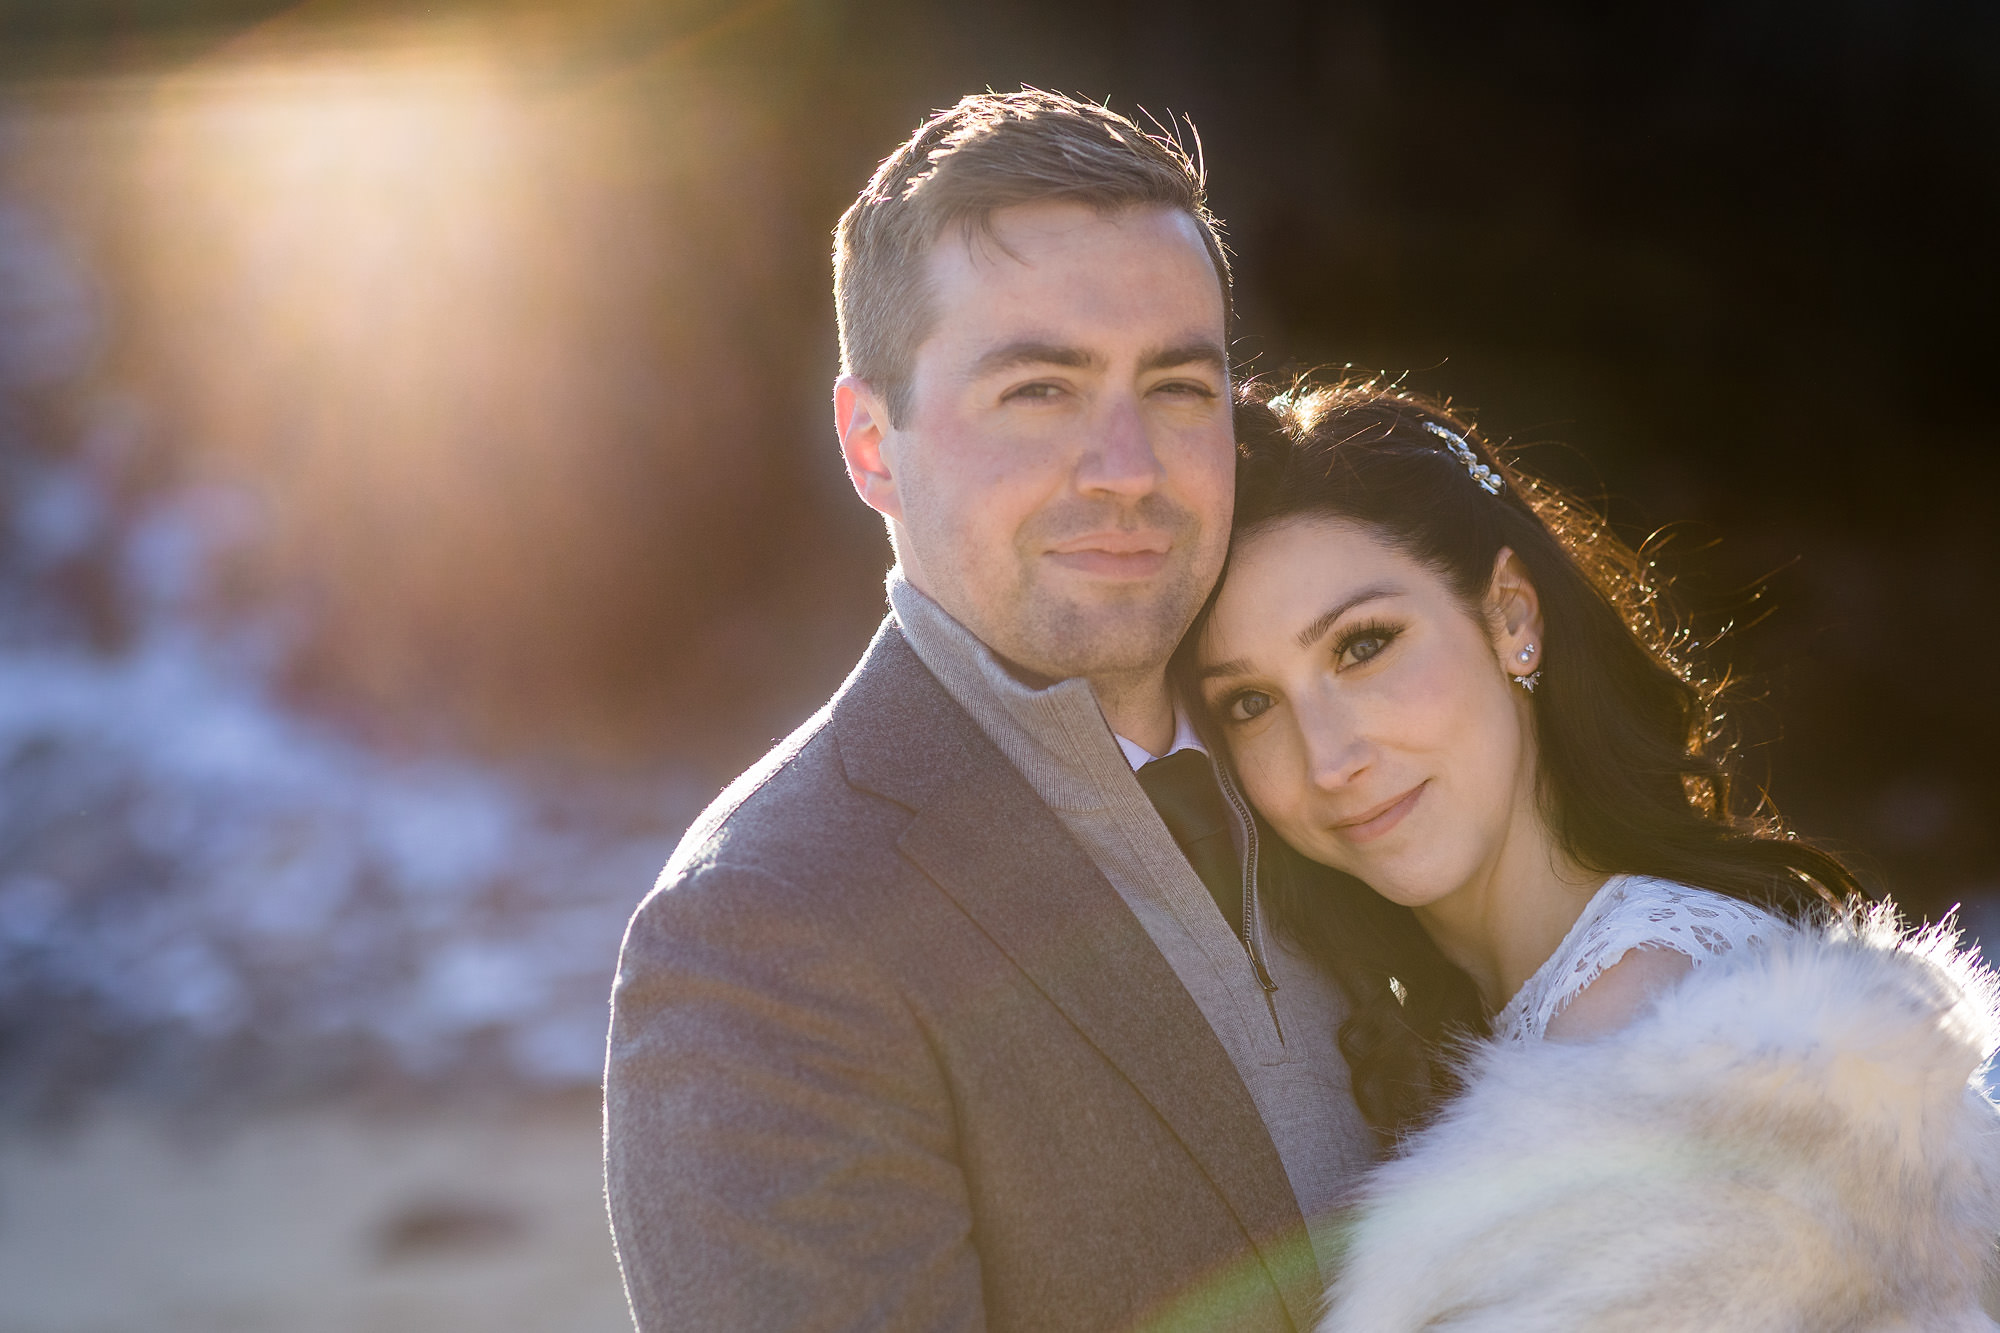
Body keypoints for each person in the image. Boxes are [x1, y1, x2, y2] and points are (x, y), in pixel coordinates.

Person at [603, 93, 1378, 1331]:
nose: (1125, 466)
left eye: (1178, 388)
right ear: (870, 445)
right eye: (1038, 391)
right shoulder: (762, 934)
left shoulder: (1362, 770)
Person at [1181, 377, 2000, 1329]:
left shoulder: (1651, 1034)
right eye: (1250, 702)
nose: (1329, 759)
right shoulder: (1522, 1019)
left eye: (1364, 646)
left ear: (1512, 620)